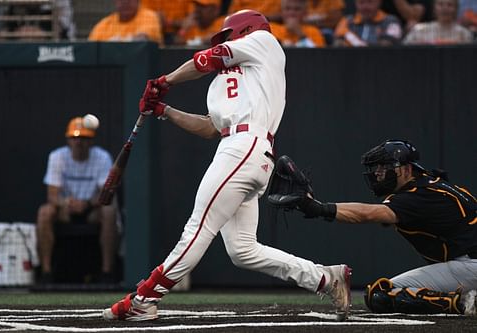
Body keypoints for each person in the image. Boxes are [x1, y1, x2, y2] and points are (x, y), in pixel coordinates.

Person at [102, 9, 352, 322]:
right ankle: (325, 278)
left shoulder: (264, 41)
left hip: (245, 148)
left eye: (228, 36)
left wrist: (165, 80)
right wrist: (164, 109)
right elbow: (210, 127)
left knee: (198, 227)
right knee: (243, 249)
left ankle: (145, 298)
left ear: (244, 30)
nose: (225, 41)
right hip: (241, 149)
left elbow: (206, 59)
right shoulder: (227, 82)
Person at [267, 139, 477, 315]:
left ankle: (464, 302)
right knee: (382, 293)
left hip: (470, 264)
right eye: (376, 167)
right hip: (467, 263)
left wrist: (319, 208)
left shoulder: (417, 195)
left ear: (405, 169)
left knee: (380, 295)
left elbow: (369, 213)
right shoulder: (431, 184)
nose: (378, 173)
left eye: (384, 167)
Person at [36, 116, 118, 284]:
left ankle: (107, 273)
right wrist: (67, 203)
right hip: (65, 210)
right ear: (68, 140)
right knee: (45, 212)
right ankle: (46, 273)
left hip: (92, 210)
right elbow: (52, 195)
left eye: (84, 138)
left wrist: (86, 204)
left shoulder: (102, 157)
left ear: (91, 141)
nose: (79, 143)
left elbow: (106, 193)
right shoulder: (57, 157)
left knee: (109, 211)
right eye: (75, 138)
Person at [88, 0, 163, 44]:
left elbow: (143, 39)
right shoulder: (104, 24)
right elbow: (91, 47)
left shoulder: (149, 16)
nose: (125, 2)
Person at [334, 0, 403, 47]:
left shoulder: (391, 21)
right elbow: (339, 42)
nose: (365, 7)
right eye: (361, 2)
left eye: (370, 2)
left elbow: (387, 45)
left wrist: (352, 42)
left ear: (379, 2)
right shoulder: (347, 21)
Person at [404, 0, 473, 45]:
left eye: (450, 5)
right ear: (434, 8)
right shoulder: (419, 30)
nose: (445, 8)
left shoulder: (464, 33)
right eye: (440, 4)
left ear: (456, 9)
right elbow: (405, 50)